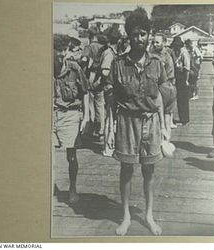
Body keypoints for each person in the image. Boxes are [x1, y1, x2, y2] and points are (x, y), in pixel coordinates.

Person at [106, 7, 169, 236]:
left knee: (149, 171)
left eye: (143, 33)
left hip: (150, 122)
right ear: (128, 35)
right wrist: (109, 129)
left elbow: (159, 97)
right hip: (126, 122)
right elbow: (111, 99)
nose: (139, 38)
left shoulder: (157, 63)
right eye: (134, 34)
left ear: (148, 35)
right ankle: (126, 216)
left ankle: (149, 215)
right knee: (126, 169)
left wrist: (164, 127)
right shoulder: (118, 63)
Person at [53, 35, 90, 203]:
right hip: (51, 115)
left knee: (72, 156)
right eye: (57, 50)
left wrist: (86, 117)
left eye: (64, 50)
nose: (61, 54)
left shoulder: (74, 68)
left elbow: (85, 93)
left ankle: (72, 188)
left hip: (70, 115)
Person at [98, 26, 121, 156]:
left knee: (111, 117)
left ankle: (109, 146)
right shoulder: (109, 53)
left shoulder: (110, 51)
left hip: (110, 88)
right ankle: (107, 148)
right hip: (109, 88)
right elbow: (105, 71)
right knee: (110, 118)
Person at [151, 33, 177, 138]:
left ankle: (161, 143)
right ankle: (167, 142)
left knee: (159, 117)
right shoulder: (169, 55)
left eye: (157, 42)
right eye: (153, 42)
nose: (154, 44)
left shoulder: (158, 57)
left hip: (162, 88)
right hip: (171, 87)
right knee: (167, 117)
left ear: (164, 43)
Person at [82, 26, 106, 139]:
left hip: (91, 77)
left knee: (90, 104)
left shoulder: (89, 47)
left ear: (90, 36)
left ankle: (91, 129)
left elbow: (84, 60)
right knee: (100, 105)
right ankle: (101, 129)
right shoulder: (103, 47)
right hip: (101, 78)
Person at [170, 37, 191, 126]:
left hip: (183, 75)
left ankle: (185, 119)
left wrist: (186, 80)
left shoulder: (184, 53)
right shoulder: (173, 52)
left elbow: (187, 68)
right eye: (175, 46)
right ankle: (179, 117)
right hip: (176, 75)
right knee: (177, 98)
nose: (176, 47)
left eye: (178, 46)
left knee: (183, 98)